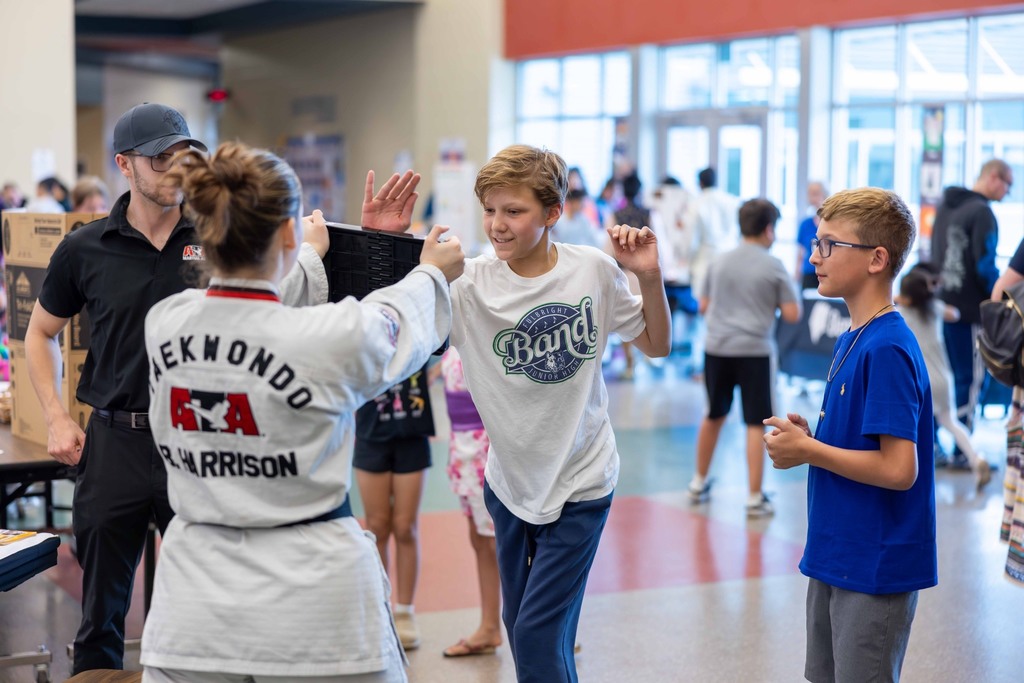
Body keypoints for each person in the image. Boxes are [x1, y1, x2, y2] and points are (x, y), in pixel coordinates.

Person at [23, 101, 423, 674]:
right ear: (124, 165)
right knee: (101, 616)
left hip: (203, 445)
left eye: (185, 157)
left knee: (202, 595)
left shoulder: (218, 238)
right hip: (116, 441)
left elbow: (282, 291)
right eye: (160, 159)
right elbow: (40, 333)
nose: (175, 171)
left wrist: (380, 245)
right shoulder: (85, 247)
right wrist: (57, 418)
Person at [140, 140, 465, 683]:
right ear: (288, 232)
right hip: (316, 615)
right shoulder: (333, 339)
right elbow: (389, 321)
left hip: (193, 614)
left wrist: (337, 251)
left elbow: (252, 312)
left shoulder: (166, 322)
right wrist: (429, 272)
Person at [450, 144, 671, 682]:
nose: (498, 225)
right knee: (521, 623)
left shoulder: (591, 270)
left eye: (514, 211)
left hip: (582, 479)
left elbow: (658, 344)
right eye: (490, 210)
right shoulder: (469, 285)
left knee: (537, 634)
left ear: (553, 213)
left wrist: (648, 275)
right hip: (510, 483)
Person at [763, 188, 936, 683]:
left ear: (877, 259)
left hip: (875, 564)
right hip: (836, 551)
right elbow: (861, 444)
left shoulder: (887, 348)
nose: (815, 257)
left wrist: (811, 451)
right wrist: (812, 438)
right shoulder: (853, 336)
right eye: (817, 243)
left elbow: (900, 469)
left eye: (829, 246)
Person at [687, 198, 801, 516]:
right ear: (768, 229)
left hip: (717, 349)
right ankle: (753, 497)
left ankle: (698, 481)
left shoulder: (719, 261)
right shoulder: (774, 265)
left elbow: (703, 306)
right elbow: (792, 314)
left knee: (713, 415)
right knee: (756, 422)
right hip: (755, 353)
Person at [930, 159, 1013, 468]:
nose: (1007, 193)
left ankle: (933, 444)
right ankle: (964, 453)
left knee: (942, 379)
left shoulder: (946, 206)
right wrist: (1002, 300)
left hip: (942, 307)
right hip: (970, 312)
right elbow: (984, 266)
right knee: (970, 380)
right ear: (993, 178)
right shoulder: (982, 213)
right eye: (1008, 184)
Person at [353, 363, 435, 651]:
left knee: (405, 527)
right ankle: (380, 609)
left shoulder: (418, 327)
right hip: (370, 437)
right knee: (376, 527)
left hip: (411, 437)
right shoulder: (363, 324)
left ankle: (405, 611)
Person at [432, 347, 503, 658]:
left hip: (485, 446)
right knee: (480, 539)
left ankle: (549, 626)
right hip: (462, 448)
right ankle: (490, 625)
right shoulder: (454, 335)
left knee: (499, 541)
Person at [896, 263, 991, 487]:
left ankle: (915, 470)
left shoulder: (900, 315)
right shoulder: (935, 308)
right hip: (943, 378)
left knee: (917, 427)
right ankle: (976, 459)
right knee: (951, 422)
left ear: (907, 298)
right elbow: (955, 314)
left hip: (920, 380)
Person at [607, 173, 653, 380]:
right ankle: (646, 353)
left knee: (627, 318)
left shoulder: (616, 214)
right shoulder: (648, 213)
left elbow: (608, 247)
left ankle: (629, 362)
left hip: (623, 273)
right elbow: (658, 244)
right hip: (643, 275)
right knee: (647, 315)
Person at [795, 181, 829, 290]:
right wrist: (797, 272)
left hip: (827, 271)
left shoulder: (831, 223)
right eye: (810, 194)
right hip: (809, 272)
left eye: (816, 193)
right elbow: (800, 253)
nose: (813, 198)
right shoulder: (805, 224)